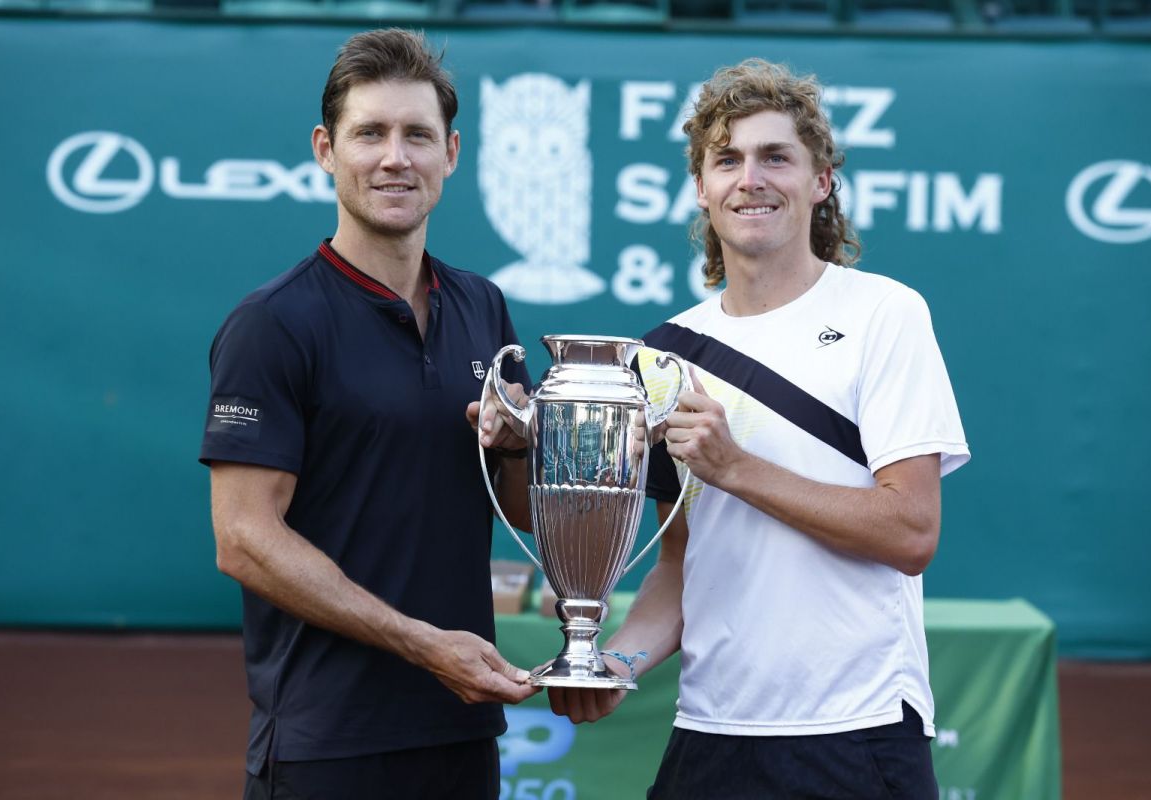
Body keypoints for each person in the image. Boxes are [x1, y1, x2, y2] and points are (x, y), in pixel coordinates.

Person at [547, 59, 970, 799]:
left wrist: (736, 468)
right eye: (727, 160)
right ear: (703, 188)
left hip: (855, 730)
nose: (751, 178)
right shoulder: (664, 352)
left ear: (821, 181)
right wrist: (615, 662)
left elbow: (911, 532)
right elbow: (680, 566)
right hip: (710, 732)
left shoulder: (885, 314)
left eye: (776, 156)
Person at [199, 28, 536, 800]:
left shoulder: (483, 306)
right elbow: (244, 539)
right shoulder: (273, 323)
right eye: (370, 134)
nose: (396, 158)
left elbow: (518, 512)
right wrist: (419, 645)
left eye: (417, 135)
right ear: (326, 149)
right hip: (329, 741)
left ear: (450, 153)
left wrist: (519, 448)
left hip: (460, 725)